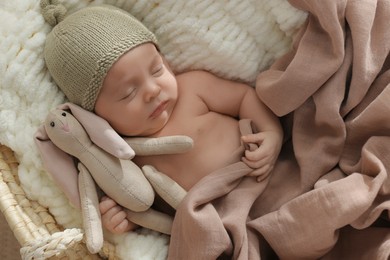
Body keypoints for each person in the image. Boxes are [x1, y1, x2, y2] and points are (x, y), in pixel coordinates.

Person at [41, 3, 283, 235]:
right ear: (95, 114)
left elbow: (245, 98)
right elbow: (141, 206)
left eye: (157, 69)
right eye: (128, 93)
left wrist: (272, 134)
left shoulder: (193, 89)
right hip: (221, 222)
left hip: (266, 174)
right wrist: (122, 221)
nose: (153, 90)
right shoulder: (121, 157)